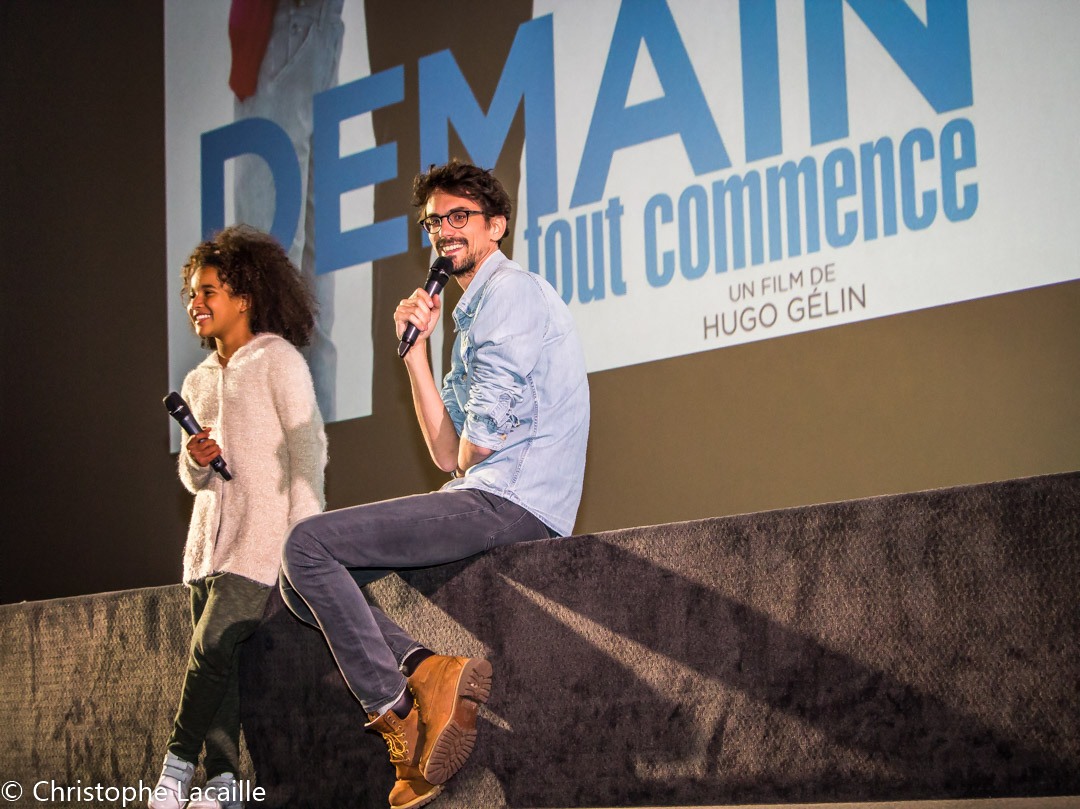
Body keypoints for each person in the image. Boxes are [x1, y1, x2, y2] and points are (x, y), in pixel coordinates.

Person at [280, 159, 590, 808]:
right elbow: (450, 454)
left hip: (513, 500)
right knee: (295, 583)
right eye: (433, 222)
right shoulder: (469, 314)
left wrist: (470, 449)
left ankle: (397, 707)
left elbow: (475, 449)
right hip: (487, 493)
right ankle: (428, 671)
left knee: (306, 545)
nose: (444, 231)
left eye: (459, 217)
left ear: (496, 225)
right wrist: (416, 354)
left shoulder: (510, 294)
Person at [151, 225, 328, 809]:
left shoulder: (278, 359)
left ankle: (175, 768)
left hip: (260, 541)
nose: (195, 304)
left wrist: (302, 539)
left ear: (244, 298)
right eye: (191, 295)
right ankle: (223, 780)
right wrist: (196, 460)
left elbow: (308, 451)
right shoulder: (197, 380)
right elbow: (193, 481)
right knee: (218, 670)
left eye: (208, 292)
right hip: (206, 549)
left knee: (211, 647)